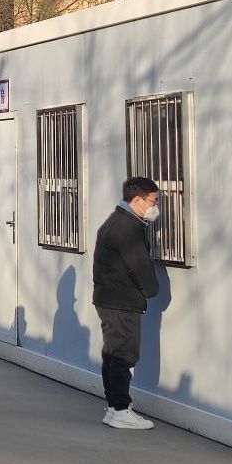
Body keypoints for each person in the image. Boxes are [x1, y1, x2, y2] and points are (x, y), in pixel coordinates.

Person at [92, 177, 161, 430]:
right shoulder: (127, 228)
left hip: (110, 299)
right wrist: (152, 291)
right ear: (138, 200)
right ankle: (121, 409)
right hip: (121, 301)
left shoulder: (117, 221)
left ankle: (114, 408)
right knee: (123, 355)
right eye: (153, 201)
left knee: (113, 354)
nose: (155, 207)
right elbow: (139, 265)